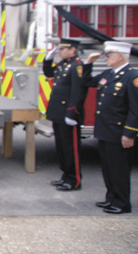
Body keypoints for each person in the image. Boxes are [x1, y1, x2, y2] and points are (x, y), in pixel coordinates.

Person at [82, 41, 137, 214]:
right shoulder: (108, 74)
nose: (105, 58)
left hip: (118, 131)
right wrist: (88, 63)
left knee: (119, 169)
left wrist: (129, 133)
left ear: (120, 56)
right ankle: (111, 198)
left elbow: (135, 109)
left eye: (109, 55)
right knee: (108, 168)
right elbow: (87, 82)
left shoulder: (132, 77)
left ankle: (122, 203)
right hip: (104, 129)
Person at [42, 38, 88, 191]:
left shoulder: (77, 66)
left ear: (72, 50)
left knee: (71, 148)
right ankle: (66, 175)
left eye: (62, 49)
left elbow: (78, 91)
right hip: (58, 112)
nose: (59, 51)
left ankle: (74, 179)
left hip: (68, 114)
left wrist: (72, 113)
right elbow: (49, 73)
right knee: (61, 147)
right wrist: (48, 59)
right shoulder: (64, 64)